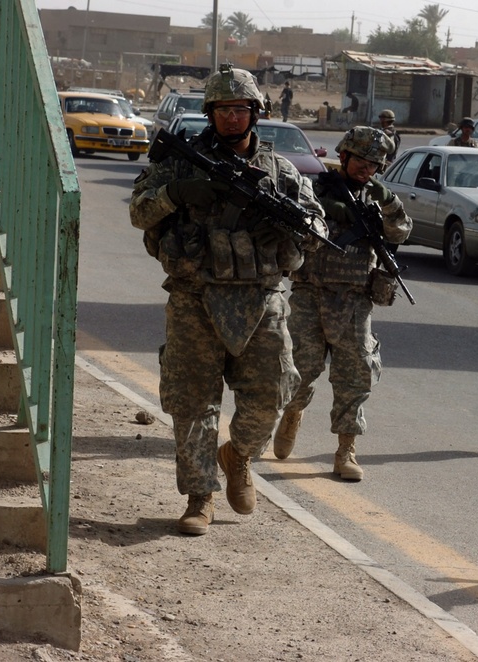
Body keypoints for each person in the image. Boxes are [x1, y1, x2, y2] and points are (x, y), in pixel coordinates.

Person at [129, 65, 328, 536]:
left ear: (256, 113)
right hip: (194, 298)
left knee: (271, 395)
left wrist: (285, 226)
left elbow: (319, 230)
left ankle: (237, 456)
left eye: (241, 108)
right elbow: (139, 212)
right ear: (210, 114)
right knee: (192, 401)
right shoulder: (179, 164)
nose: (232, 118)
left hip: (261, 300)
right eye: (223, 109)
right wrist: (177, 193)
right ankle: (201, 497)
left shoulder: (279, 171)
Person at [272, 127, 412, 481]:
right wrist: (326, 211)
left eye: (374, 165)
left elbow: (401, 232)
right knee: (300, 367)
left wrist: (389, 202)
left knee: (356, 374)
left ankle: (346, 449)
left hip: (355, 299)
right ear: (345, 156)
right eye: (361, 161)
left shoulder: (377, 200)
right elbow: (291, 221)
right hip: (311, 294)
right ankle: (292, 414)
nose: (367, 169)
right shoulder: (316, 188)